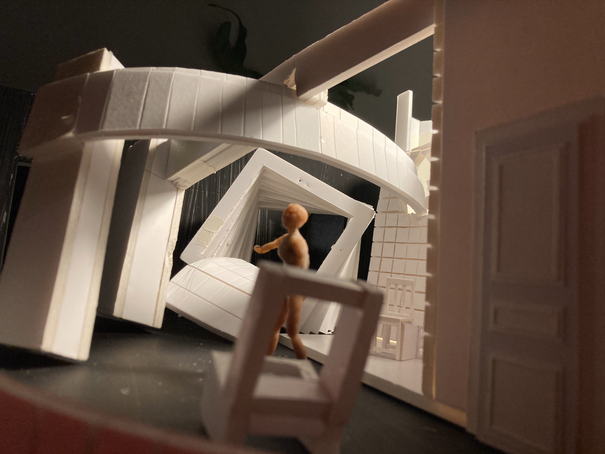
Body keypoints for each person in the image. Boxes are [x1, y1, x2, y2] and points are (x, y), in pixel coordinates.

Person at [253, 203, 309, 359]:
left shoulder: (297, 242)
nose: (283, 218)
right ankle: (265, 359)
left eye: (286, 216)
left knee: (291, 332)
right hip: (286, 284)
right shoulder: (287, 238)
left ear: (295, 220)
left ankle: (302, 362)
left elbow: (303, 263)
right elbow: (274, 244)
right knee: (274, 326)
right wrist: (262, 249)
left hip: (294, 287)